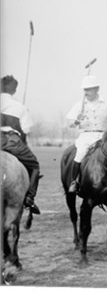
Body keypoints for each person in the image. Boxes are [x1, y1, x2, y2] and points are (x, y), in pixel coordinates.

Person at [66, 75, 107, 199]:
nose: (86, 92)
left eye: (89, 89)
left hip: (103, 135)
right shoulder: (79, 105)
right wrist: (77, 121)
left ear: (97, 89)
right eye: (85, 89)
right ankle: (74, 182)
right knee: (80, 153)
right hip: (86, 136)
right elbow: (69, 123)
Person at [1, 75, 41, 214]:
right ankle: (29, 198)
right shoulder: (19, 107)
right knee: (35, 165)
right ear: (15, 90)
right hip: (10, 141)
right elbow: (26, 130)